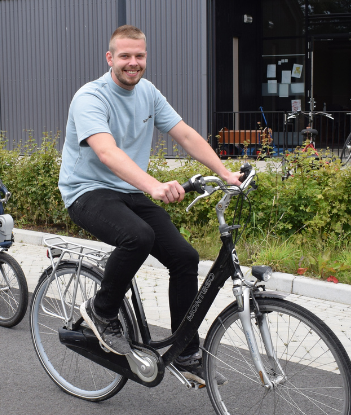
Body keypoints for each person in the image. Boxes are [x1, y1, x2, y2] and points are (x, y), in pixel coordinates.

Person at [58, 25, 242, 385]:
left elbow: (184, 133)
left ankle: (185, 352)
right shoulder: (90, 97)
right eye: (125, 56)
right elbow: (107, 152)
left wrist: (225, 172)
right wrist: (154, 185)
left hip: (127, 191)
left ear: (146, 57)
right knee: (138, 236)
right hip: (86, 191)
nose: (133, 63)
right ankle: (101, 310)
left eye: (139, 56)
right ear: (110, 58)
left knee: (185, 258)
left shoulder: (148, 93)